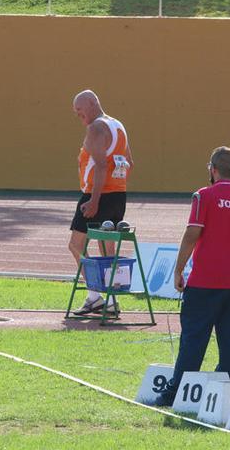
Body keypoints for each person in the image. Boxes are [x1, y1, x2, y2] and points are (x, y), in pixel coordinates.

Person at [151, 147, 230, 405]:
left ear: (212, 170)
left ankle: (175, 393)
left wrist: (179, 269)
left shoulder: (204, 196)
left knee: (193, 339)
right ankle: (226, 395)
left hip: (205, 282)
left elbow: (192, 234)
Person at [67, 90, 133, 316]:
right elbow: (129, 162)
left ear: (93, 103)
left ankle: (95, 296)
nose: (78, 116)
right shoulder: (118, 126)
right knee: (107, 247)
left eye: (79, 110)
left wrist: (94, 200)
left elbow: (102, 165)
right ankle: (110, 300)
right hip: (117, 194)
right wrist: (117, 187)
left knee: (76, 245)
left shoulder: (96, 128)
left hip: (96, 195)